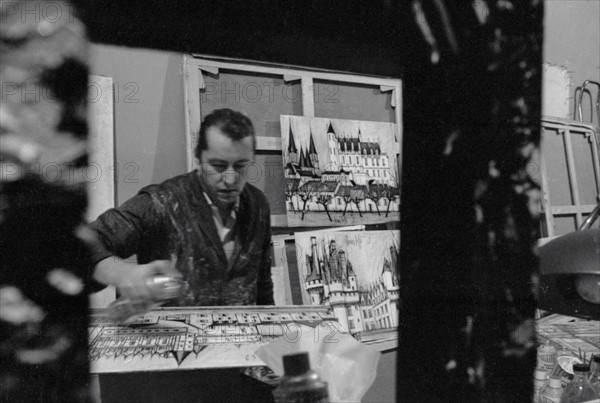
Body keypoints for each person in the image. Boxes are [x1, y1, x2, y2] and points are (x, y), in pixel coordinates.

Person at [90, 108, 274, 306]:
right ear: (198, 159)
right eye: (218, 166)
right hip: (176, 331)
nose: (230, 179)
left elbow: (262, 284)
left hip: (240, 333)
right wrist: (122, 273)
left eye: (240, 166)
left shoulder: (258, 204)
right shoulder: (162, 202)